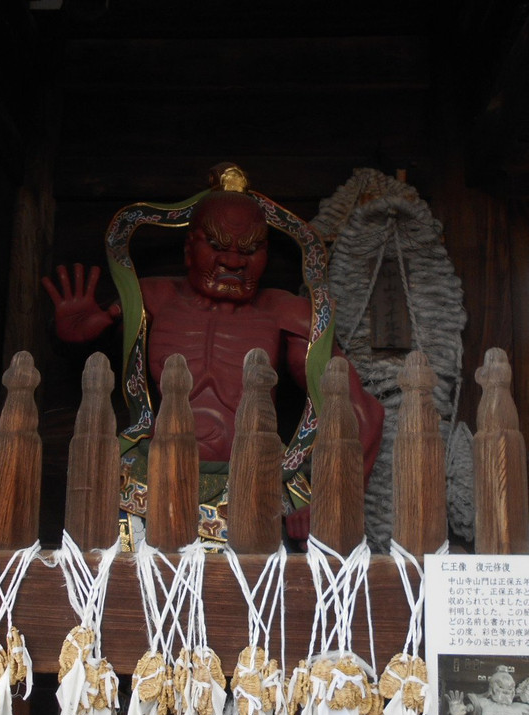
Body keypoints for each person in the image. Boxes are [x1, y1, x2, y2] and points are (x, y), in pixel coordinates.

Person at [44, 169, 384, 544]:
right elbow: (89, 332)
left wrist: (334, 497)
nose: (234, 262)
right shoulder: (150, 298)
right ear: (189, 248)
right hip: (148, 480)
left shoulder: (286, 313)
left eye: (250, 250)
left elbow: (360, 410)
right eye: (218, 246)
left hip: (257, 483)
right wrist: (79, 331)